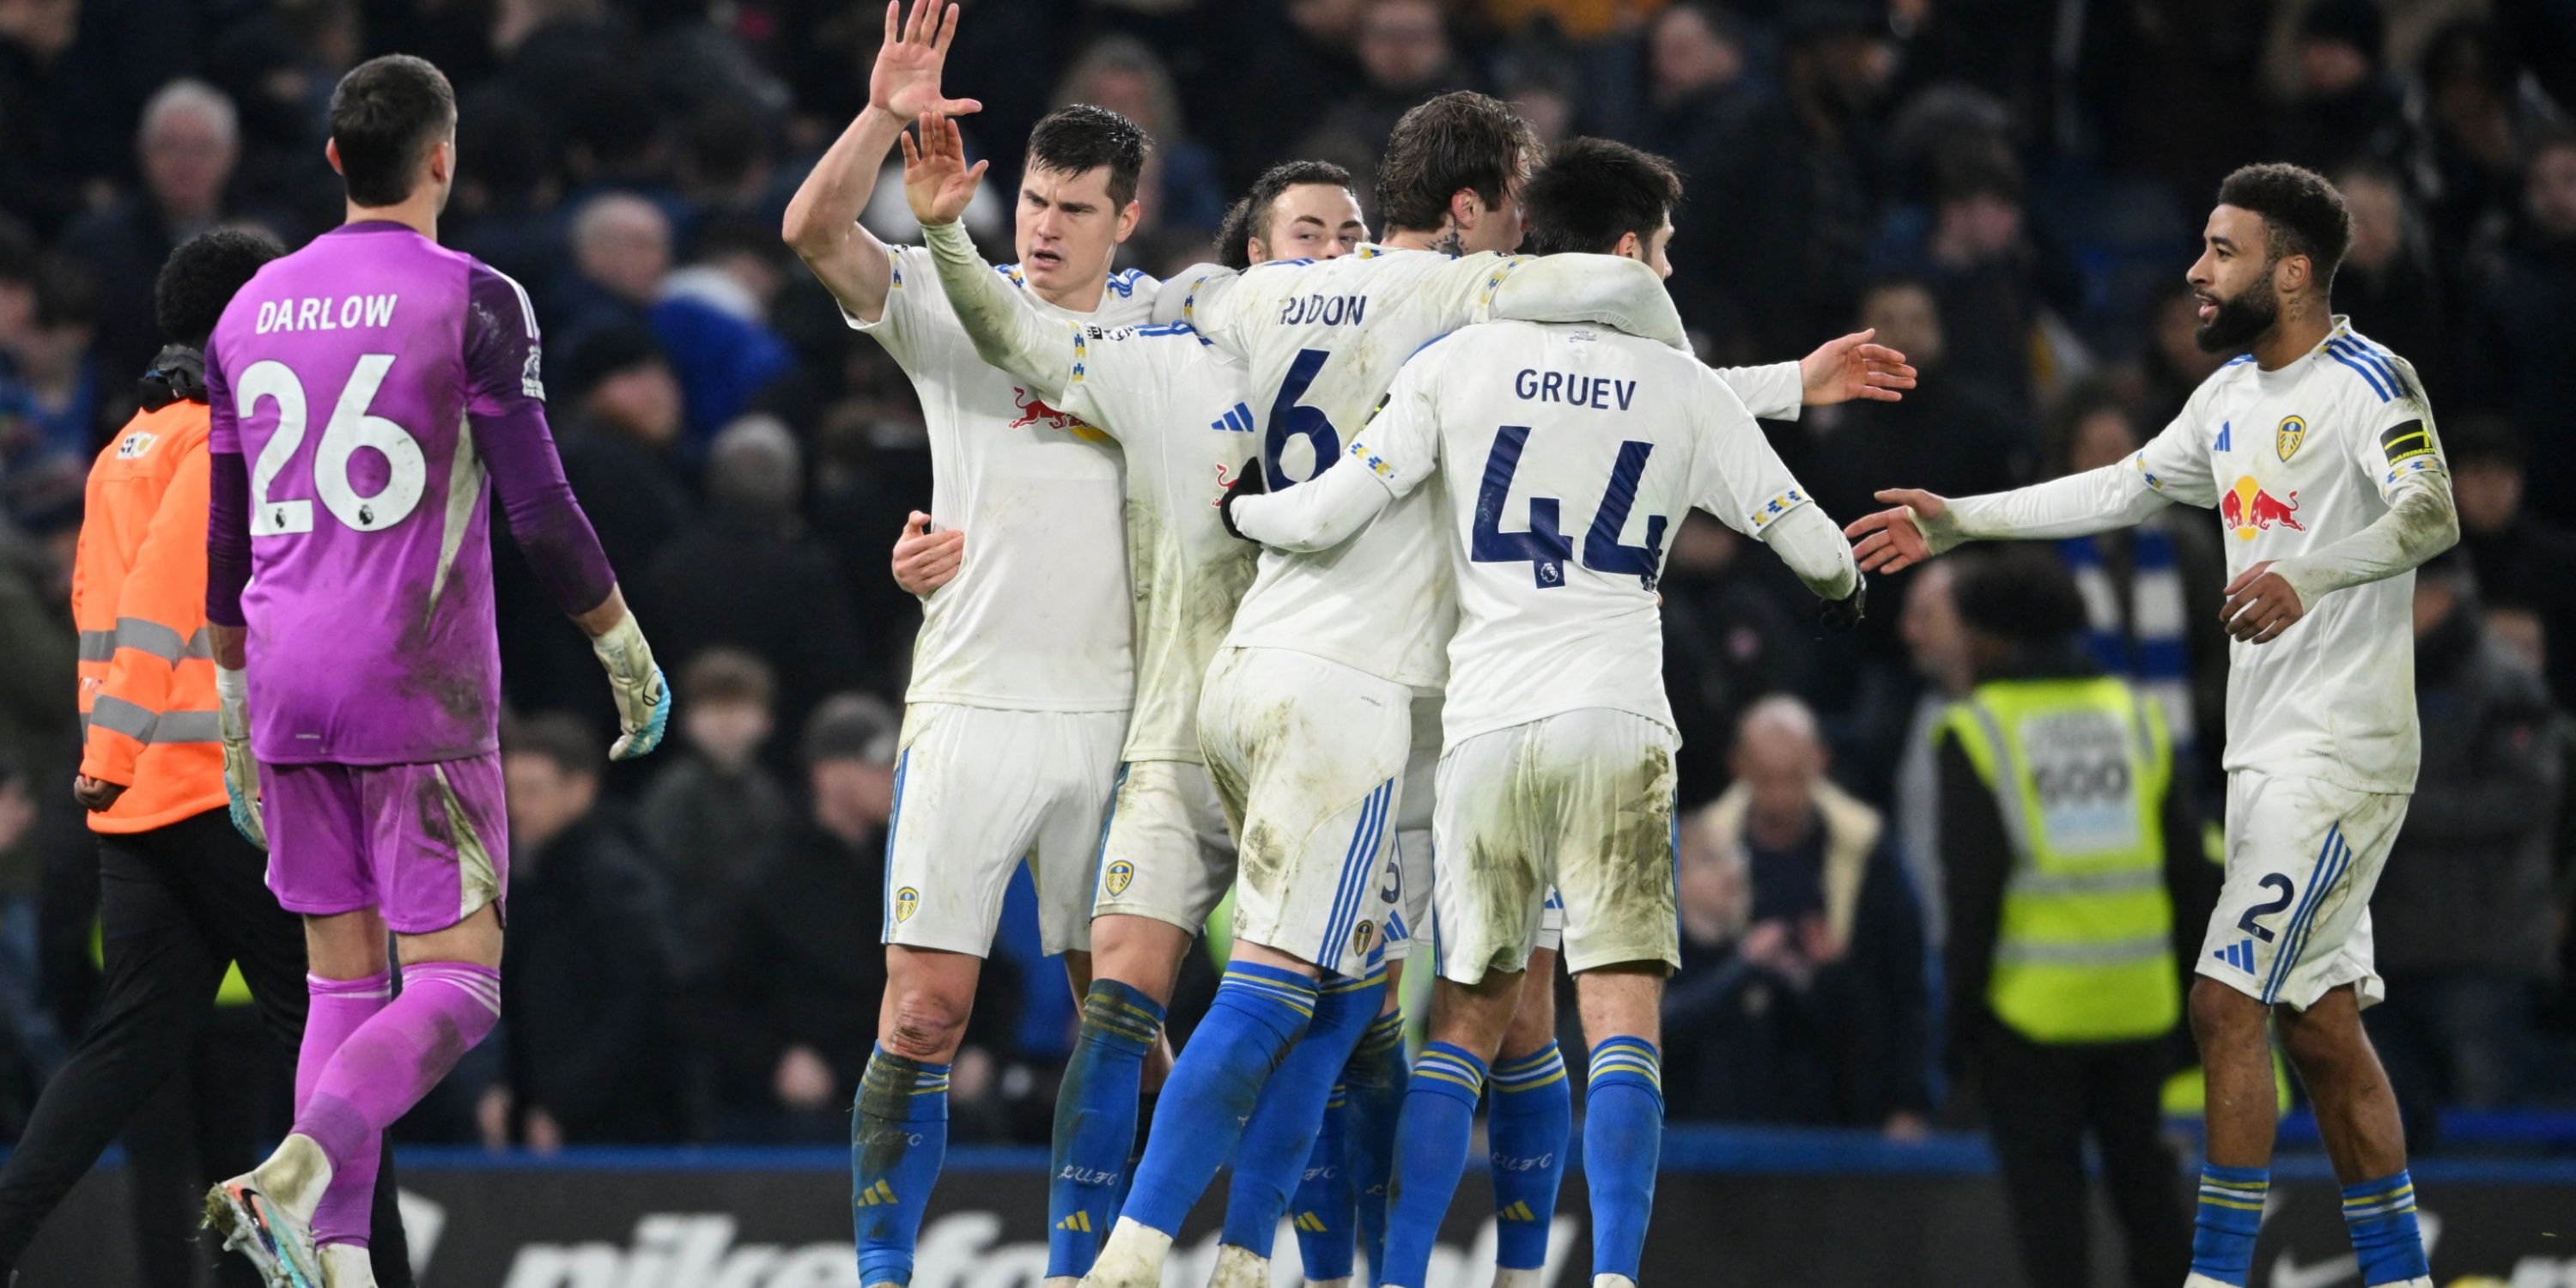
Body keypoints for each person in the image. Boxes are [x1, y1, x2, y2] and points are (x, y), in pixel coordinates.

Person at [1086, 93, 1901, 1288]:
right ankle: (1174, 1252)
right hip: (1433, 703)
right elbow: (1696, 407)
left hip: (1369, 699)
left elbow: (1325, 493)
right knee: (1515, 1010)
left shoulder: (1379, 325)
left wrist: (1239, 503)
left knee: (1415, 1011)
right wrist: (1827, 540)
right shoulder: (1476, 303)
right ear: (1479, 211)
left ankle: (1299, 1261)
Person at [1850, 161, 2458, 1288]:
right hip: (2264, 748)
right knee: (2319, 1028)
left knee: (2225, 1002)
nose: (2194, 268)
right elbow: (2123, 484)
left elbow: (2433, 511)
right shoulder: (2227, 401)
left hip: (2341, 747)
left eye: (2222, 249)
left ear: (2290, 269)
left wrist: (2308, 576)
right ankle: (2401, 1276)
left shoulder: (2369, 380)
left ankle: (2213, 1278)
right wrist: (1961, 524)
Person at [202, 53, 671, 1288]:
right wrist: (620, 641)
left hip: (287, 684)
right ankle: (296, 1169)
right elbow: (538, 505)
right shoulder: (474, 296)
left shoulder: (246, 309)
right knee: (459, 990)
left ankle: (339, 1261)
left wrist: (235, 704)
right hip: (415, 683)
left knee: (341, 988)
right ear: (443, 159)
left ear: (333, 163)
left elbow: (224, 536)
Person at [778, 6, 1156, 1281]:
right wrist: (886, 113)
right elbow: (814, 233)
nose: (1044, 225)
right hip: (975, 705)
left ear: (1129, 221)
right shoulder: (955, 295)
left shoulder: (1177, 336)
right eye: (1036, 199)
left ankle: (1092, 1265)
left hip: (1118, 718)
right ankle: (885, 1273)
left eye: (1075, 208)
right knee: (925, 1012)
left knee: (1127, 1017)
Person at [0, 228, 415, 1288]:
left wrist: (111, 756)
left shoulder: (125, 445)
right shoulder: (223, 437)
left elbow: (100, 608)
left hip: (140, 804)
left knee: (122, 1052)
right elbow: (160, 605)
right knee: (342, 1038)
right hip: (217, 793)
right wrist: (120, 741)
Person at [1935, 546, 2215, 1288]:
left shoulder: (1977, 732)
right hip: (2139, 1009)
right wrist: (2192, 1013)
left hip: (2030, 1020)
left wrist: (1960, 1031)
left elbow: (1974, 900)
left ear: (1991, 637)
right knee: (2149, 1199)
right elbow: (2191, 878)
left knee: (2050, 1216)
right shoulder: (2134, 718)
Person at [2366, 553, 2561, 1140]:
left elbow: (2528, 796)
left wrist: (2404, 810)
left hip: (2480, 953)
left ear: (2441, 595)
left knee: (2489, 1134)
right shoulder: (2372, 677)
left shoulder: (2503, 683)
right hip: (2389, 949)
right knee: (2388, 1133)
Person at [1696, 696, 1929, 1134]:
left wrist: (1908, 1103)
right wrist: (1743, 965)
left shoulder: (1869, 852)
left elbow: (1906, 988)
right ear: (1738, 766)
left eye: (1794, 778)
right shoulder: (1696, 856)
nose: (1781, 797)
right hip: (1727, 1107)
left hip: (1846, 1098)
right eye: (1767, 779)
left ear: (1820, 761)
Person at [487, 713, 683, 1148]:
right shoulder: (529, 877)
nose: (516, 807)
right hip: (551, 1113)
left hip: (618, 1126)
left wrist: (563, 1105)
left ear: (580, 790)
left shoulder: (614, 882)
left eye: (533, 791)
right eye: (510, 792)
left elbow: (638, 1005)